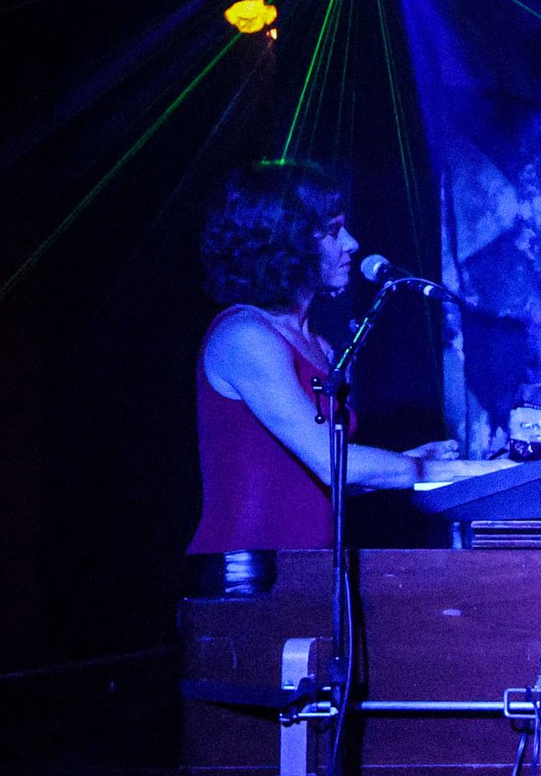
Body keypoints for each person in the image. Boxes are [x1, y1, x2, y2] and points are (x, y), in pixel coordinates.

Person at [188, 161, 501, 559]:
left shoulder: (320, 345)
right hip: (245, 573)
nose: (352, 244)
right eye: (334, 231)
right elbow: (327, 461)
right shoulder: (244, 336)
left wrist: (406, 461)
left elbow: (325, 478)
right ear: (288, 242)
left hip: (312, 569)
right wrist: (452, 471)